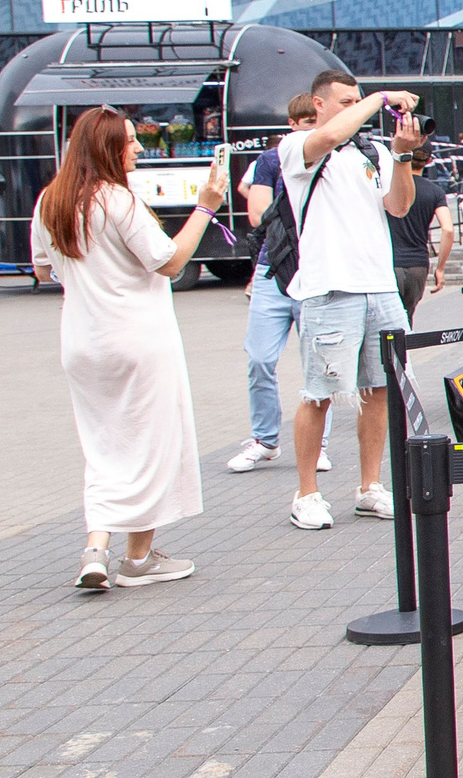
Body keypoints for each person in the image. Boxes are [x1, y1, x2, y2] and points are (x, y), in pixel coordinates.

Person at [30, 106, 226, 589]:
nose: (138, 147)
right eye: (131, 140)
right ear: (107, 147)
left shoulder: (49, 201)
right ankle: (138, 559)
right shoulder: (117, 200)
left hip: (82, 343)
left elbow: (41, 270)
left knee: (104, 448)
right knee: (151, 442)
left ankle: (96, 548)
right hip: (138, 338)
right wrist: (205, 206)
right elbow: (169, 263)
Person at [282, 69, 427, 531]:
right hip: (330, 288)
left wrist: (402, 156)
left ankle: (370, 487)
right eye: (345, 101)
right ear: (318, 104)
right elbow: (332, 134)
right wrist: (383, 95)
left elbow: (399, 207)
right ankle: (306, 492)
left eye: (357, 100)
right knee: (319, 392)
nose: (355, 109)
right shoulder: (297, 148)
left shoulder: (373, 151)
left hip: (379, 285)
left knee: (380, 390)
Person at [228, 97, 334, 474]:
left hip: (318, 272)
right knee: (259, 358)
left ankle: (317, 443)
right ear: (291, 124)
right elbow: (257, 212)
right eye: (302, 121)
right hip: (274, 270)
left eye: (314, 121)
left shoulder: (335, 157)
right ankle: (265, 439)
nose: (308, 127)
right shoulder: (272, 160)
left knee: (319, 364)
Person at [389, 162, 455, 321]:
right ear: (428, 160)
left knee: (387, 322)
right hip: (418, 264)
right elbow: (448, 229)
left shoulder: (388, 188)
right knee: (407, 318)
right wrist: (440, 268)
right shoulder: (435, 191)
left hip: (389, 262)